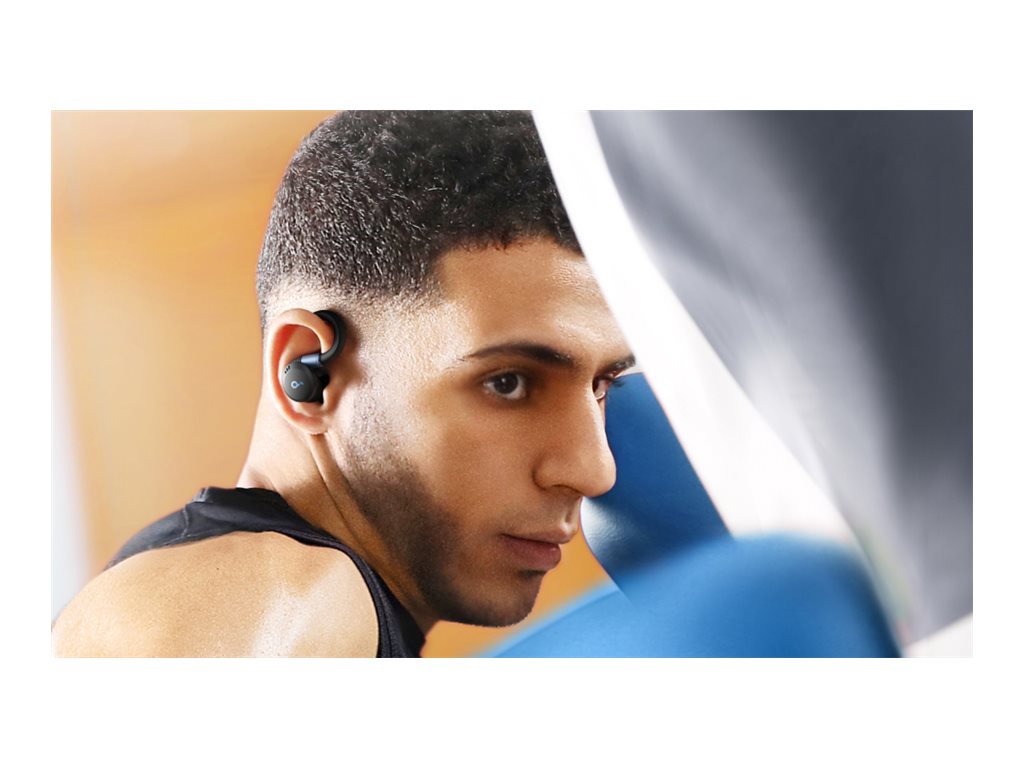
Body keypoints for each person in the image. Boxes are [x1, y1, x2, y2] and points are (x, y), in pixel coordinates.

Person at [51, 111, 634, 657]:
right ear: (311, 371)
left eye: (602, 385)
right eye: (507, 382)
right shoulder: (282, 588)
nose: (594, 471)